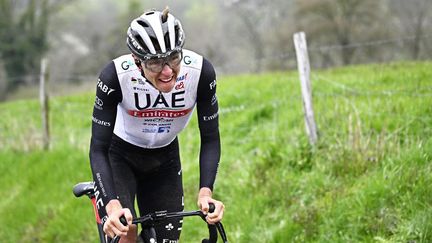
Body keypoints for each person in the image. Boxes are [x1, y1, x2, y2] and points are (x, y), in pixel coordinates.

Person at [88, 7, 224, 243]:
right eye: (155, 63)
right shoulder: (115, 76)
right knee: (124, 232)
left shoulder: (200, 73)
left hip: (165, 159)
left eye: (173, 57)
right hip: (119, 157)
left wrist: (205, 192)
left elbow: (210, 138)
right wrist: (111, 203)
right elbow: (98, 147)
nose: (167, 71)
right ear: (136, 61)